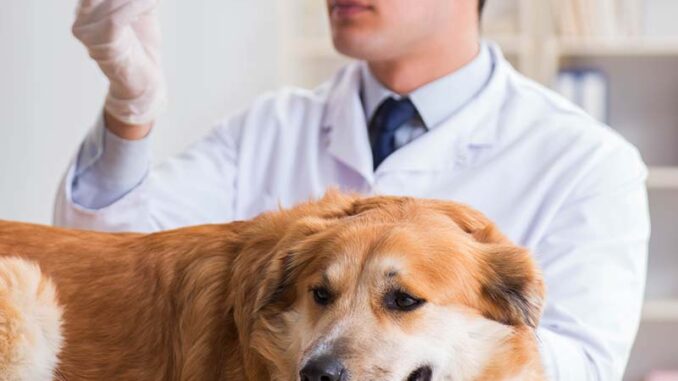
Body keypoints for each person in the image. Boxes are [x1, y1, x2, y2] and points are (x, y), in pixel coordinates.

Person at [58, 0, 650, 379]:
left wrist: (452, 313)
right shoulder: (269, 125)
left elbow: (584, 369)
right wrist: (129, 108)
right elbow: (101, 276)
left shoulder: (589, 162)